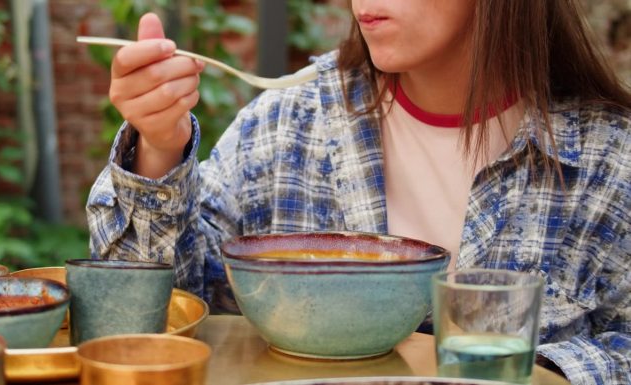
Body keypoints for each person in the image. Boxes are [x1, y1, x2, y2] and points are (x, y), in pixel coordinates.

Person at [86, 1, 630, 384]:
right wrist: (158, 146)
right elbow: (152, 321)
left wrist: (542, 372)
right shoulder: (289, 124)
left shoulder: (609, 160)